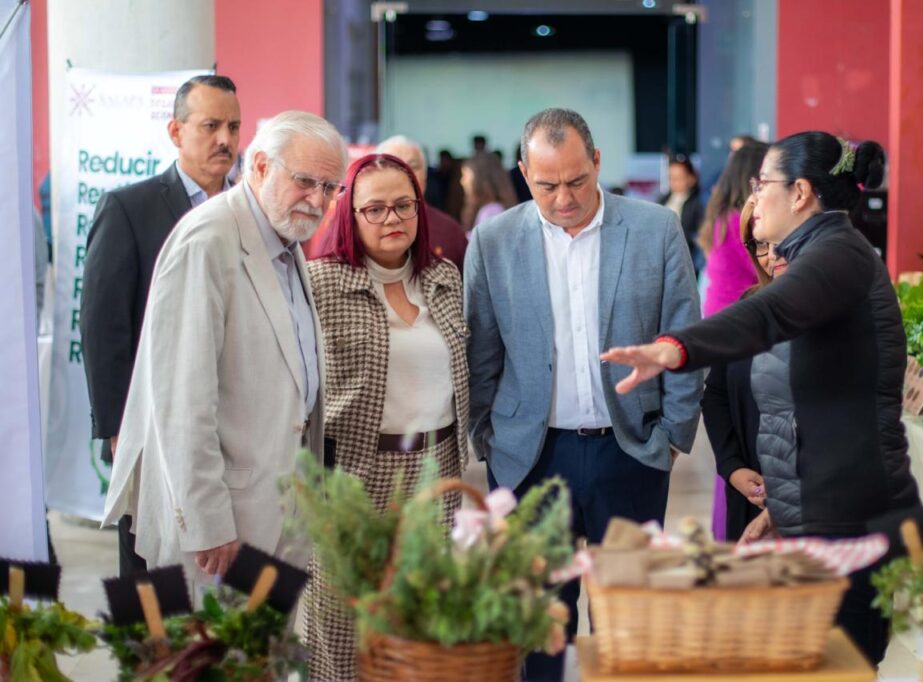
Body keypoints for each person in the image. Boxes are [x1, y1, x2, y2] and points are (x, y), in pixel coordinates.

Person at [602, 131, 920, 666]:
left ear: (799, 193)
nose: (753, 197)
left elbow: (764, 316)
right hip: (816, 516)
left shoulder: (838, 255)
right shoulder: (820, 257)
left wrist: (673, 348)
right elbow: (814, 411)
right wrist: (780, 509)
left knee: (839, 668)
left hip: (847, 524)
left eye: (761, 183)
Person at [465, 108, 702, 681]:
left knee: (628, 619)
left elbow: (683, 338)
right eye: (547, 185)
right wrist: (488, 440)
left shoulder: (654, 229)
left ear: (597, 161)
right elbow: (481, 354)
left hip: (630, 451)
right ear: (524, 173)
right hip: (530, 459)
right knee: (540, 625)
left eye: (576, 180)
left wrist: (672, 437)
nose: (564, 198)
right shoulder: (494, 241)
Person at [102, 111, 346, 601]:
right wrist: (206, 521)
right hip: (224, 527)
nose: (318, 200)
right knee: (213, 648)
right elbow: (181, 399)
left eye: (329, 187)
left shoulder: (283, 237)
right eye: (304, 181)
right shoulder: (209, 239)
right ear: (260, 166)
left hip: (282, 509)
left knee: (267, 648)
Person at [304, 153, 469, 680]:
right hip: (355, 475)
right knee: (343, 627)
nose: (392, 218)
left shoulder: (443, 277)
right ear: (349, 215)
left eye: (403, 205)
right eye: (374, 209)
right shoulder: (320, 283)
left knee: (421, 630)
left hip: (436, 473)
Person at [81, 74, 241, 577]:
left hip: (232, 426)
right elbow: (103, 327)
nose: (225, 140)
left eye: (234, 127)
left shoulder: (250, 212)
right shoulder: (130, 208)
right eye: (210, 126)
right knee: (149, 566)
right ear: (176, 131)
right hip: (149, 424)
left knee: (220, 572)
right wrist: (117, 429)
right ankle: (142, 633)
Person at [701, 197, 787, 541]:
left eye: (780, 240)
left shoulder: (835, 312)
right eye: (760, 244)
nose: (772, 255)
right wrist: (733, 467)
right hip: (751, 497)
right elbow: (716, 394)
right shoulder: (748, 309)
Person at [376, 134, 469, 271]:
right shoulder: (362, 227)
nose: (405, 173)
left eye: (413, 166)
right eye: (394, 166)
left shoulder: (450, 232)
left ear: (425, 175)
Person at [698, 142, 767, 317]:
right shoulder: (740, 220)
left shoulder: (723, 215)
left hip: (719, 312)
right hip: (735, 315)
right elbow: (767, 271)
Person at [659, 154, 704, 277]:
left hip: (687, 262)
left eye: (679, 177)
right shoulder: (662, 200)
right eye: (671, 177)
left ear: (691, 178)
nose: (674, 182)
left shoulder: (699, 203)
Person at [460, 152, 517, 229]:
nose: (462, 181)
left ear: (480, 180)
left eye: (465, 176)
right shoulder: (490, 209)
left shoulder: (491, 211)